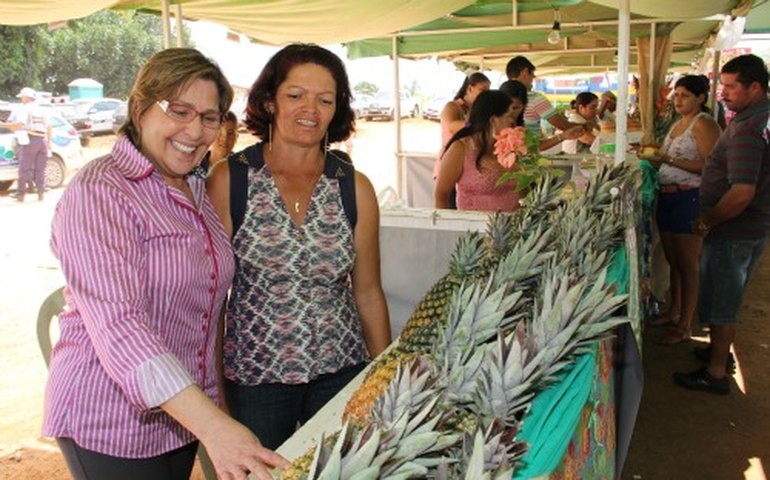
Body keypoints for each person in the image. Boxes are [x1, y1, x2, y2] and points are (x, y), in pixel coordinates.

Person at [43, 48, 287, 480]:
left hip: (180, 416)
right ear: (140, 109)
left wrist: (209, 407)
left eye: (209, 117)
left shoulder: (194, 185)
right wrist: (214, 424)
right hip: (111, 422)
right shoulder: (101, 192)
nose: (194, 131)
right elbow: (121, 325)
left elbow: (208, 304)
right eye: (179, 111)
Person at [207, 43, 391, 449]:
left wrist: (383, 374)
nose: (310, 108)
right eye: (295, 95)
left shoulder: (352, 186)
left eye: (325, 99)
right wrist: (215, 389)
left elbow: (368, 292)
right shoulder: (230, 180)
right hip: (256, 381)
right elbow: (214, 300)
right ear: (270, 101)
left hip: (341, 373)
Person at [673, 54, 770, 395]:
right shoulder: (756, 118)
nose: (723, 93)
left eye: (730, 87)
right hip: (746, 228)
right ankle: (717, 352)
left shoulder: (747, 129)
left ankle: (715, 372)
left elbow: (742, 192)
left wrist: (708, 219)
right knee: (722, 296)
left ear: (754, 87)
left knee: (723, 301)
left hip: (735, 230)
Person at [643, 75, 721, 345]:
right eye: (676, 95)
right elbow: (666, 163)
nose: (678, 100)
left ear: (701, 98)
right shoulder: (678, 125)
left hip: (690, 197)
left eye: (685, 95)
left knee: (688, 265)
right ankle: (674, 312)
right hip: (668, 197)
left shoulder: (704, 124)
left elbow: (712, 166)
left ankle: (686, 323)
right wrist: (651, 157)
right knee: (674, 261)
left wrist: (667, 158)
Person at [434, 89, 522, 212]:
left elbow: (524, 190)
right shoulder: (460, 148)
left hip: (514, 227)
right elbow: (441, 195)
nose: (513, 122)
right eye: (509, 116)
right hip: (473, 228)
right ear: (493, 120)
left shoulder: (511, 147)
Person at [434, 72, 491, 208]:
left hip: (470, 164)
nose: (485, 95)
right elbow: (451, 125)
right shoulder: (452, 106)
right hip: (451, 161)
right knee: (449, 205)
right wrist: (477, 123)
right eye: (482, 90)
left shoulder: (476, 110)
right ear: (470, 88)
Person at [500, 80, 584, 152]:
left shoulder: (520, 126)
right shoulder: (493, 124)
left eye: (518, 108)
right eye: (511, 108)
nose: (512, 113)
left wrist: (563, 136)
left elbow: (534, 146)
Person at [505, 55, 580, 135]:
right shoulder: (535, 98)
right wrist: (585, 125)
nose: (533, 78)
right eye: (532, 74)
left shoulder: (499, 96)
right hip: (529, 146)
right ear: (525, 72)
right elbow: (563, 126)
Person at [0, 87, 50, 202]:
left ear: (26, 97)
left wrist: (3, 125)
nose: (21, 99)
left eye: (22, 97)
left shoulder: (24, 109)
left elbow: (19, 125)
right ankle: (40, 193)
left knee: (24, 169)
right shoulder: (42, 110)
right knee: (40, 169)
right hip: (42, 140)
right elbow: (48, 127)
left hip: (30, 140)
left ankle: (21, 194)